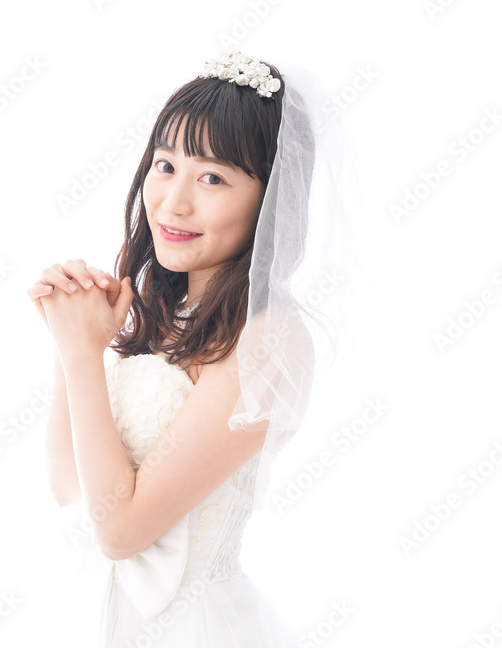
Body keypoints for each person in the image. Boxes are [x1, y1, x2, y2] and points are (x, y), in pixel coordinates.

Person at [28, 51, 361, 647]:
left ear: (271, 198)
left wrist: (82, 359)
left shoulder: (269, 339)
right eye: (165, 166)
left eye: (213, 178)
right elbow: (69, 491)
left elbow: (121, 531)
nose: (173, 202)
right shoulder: (162, 317)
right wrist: (72, 343)